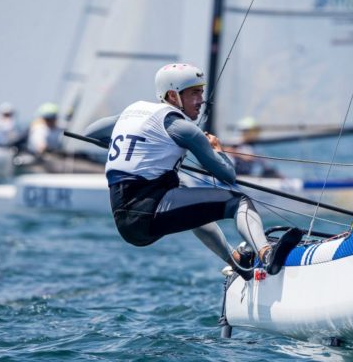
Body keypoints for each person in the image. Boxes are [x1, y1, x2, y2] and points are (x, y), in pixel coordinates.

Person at [84, 63, 302, 278]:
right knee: (238, 202)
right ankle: (266, 253)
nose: (201, 100)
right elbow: (228, 176)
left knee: (190, 197)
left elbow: (90, 133)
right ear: (172, 96)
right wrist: (218, 151)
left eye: (202, 92)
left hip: (125, 219)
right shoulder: (182, 128)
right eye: (194, 93)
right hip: (148, 212)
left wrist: (132, 143)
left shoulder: (132, 113)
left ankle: (236, 261)